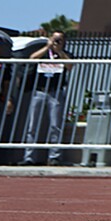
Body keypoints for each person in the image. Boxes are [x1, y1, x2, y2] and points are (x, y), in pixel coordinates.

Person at [23, 30, 74, 166]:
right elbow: (32, 59)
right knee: (32, 125)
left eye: (59, 40)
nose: (56, 42)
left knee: (55, 125)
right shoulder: (44, 52)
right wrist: (47, 47)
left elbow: (70, 66)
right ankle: (29, 157)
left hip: (55, 92)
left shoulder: (65, 55)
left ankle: (54, 156)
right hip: (39, 91)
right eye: (54, 39)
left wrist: (60, 52)